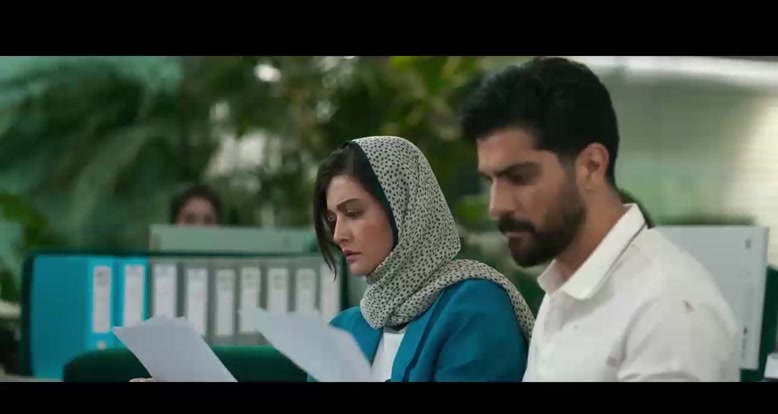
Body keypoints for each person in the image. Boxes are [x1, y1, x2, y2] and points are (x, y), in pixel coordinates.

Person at [459, 56, 740, 382]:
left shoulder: (666, 307)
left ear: (591, 166)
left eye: (519, 178)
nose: (497, 206)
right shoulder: (563, 292)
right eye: (490, 181)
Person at [310, 136, 535, 382]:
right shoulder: (343, 330)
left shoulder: (475, 305)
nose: (338, 235)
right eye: (332, 220)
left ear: (404, 209)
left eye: (353, 213)